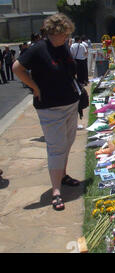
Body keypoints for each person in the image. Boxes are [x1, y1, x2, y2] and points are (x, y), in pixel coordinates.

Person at [12, 13, 81, 211]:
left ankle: (63, 174)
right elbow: (17, 68)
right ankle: (56, 191)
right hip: (51, 108)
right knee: (56, 147)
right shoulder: (38, 49)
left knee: (67, 142)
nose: (67, 38)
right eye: (65, 34)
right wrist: (34, 87)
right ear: (55, 32)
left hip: (70, 104)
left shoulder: (63, 46)